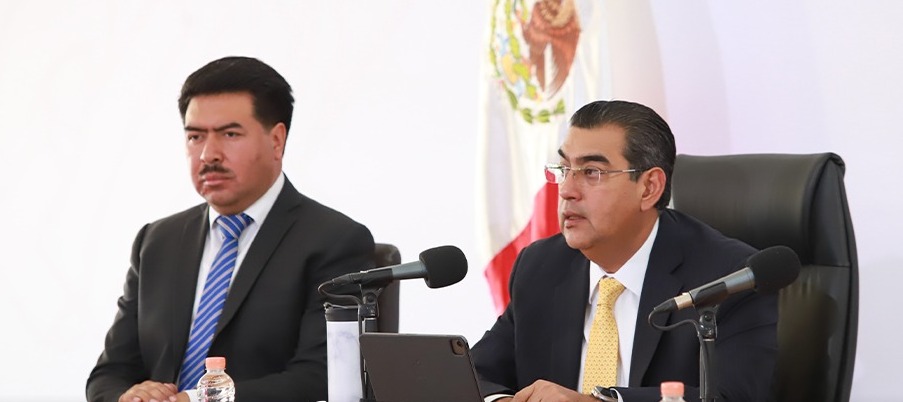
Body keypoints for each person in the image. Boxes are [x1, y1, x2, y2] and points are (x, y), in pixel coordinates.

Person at [86, 56, 375, 402]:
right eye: (195, 137)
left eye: (230, 134)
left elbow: (322, 376)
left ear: (277, 140)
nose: (208, 154)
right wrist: (129, 397)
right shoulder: (157, 241)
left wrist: (196, 399)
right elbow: (110, 373)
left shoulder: (334, 241)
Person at [471, 100, 777, 402]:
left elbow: (731, 396)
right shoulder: (541, 266)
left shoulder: (730, 278)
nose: (566, 190)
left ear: (649, 187)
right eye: (564, 169)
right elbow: (473, 376)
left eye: (592, 172)